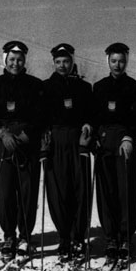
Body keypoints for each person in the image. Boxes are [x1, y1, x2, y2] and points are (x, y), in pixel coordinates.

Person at [0, 41, 44, 262]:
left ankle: (25, 235)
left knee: (27, 192)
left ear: (24, 61)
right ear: (5, 60)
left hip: (27, 142)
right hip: (3, 142)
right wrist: (1, 133)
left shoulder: (35, 85)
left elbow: (41, 115)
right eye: (11, 59)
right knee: (5, 191)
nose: (15, 64)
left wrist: (28, 133)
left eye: (19, 59)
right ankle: (9, 235)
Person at [41, 43, 93, 259]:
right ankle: (64, 236)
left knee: (80, 189)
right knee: (57, 190)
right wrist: (43, 141)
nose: (63, 65)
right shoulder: (45, 87)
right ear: (54, 63)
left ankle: (79, 237)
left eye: (66, 61)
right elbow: (40, 116)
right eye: (58, 62)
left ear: (73, 62)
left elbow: (91, 113)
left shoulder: (83, 87)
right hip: (55, 142)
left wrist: (89, 124)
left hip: (77, 141)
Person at [92, 42, 136, 266]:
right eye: (113, 61)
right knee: (107, 192)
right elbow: (94, 117)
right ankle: (111, 237)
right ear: (108, 62)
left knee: (126, 191)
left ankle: (125, 237)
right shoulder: (99, 87)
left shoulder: (134, 87)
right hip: (104, 144)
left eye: (121, 61)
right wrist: (92, 132)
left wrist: (130, 136)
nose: (117, 65)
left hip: (124, 145)